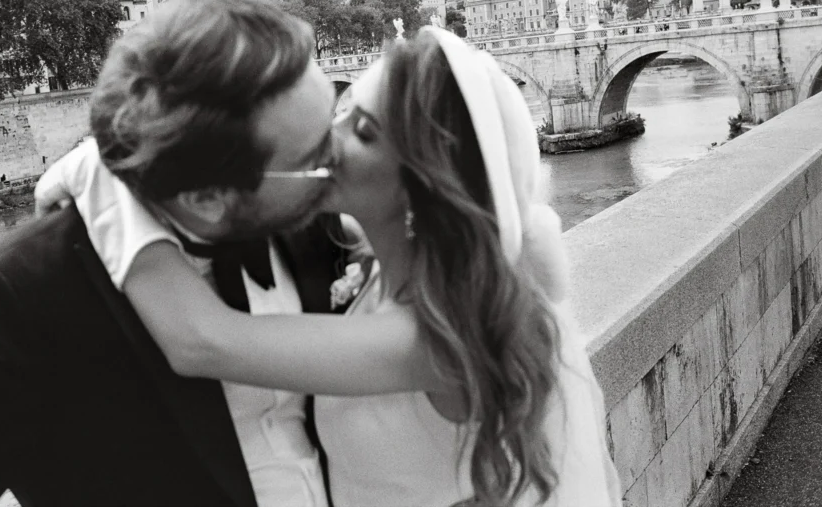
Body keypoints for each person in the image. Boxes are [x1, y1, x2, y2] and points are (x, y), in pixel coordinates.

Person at [39, 27, 622, 506]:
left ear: (423, 191)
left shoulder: (440, 337)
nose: (328, 136)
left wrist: (110, 179)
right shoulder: (380, 263)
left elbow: (200, 341)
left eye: (362, 131)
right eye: (344, 110)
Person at [0, 0, 355, 507]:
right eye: (318, 152)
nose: (344, 155)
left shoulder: (303, 203)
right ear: (207, 197)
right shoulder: (32, 293)